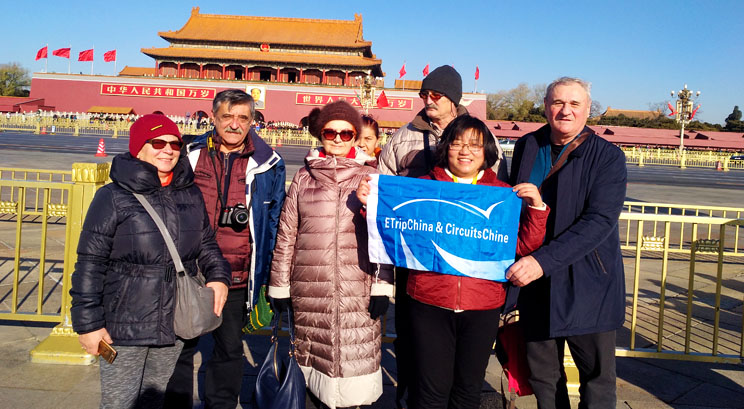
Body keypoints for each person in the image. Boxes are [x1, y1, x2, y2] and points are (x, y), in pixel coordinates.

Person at [357, 115, 548, 409]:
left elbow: (522, 246)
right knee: (430, 390)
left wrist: (536, 208)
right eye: (457, 143)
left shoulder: (501, 194)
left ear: (487, 152)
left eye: (474, 145)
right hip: (430, 302)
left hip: (482, 305)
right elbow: (391, 230)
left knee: (468, 390)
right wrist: (370, 205)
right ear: (445, 148)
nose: (465, 151)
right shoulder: (421, 186)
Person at [70, 114, 231, 408]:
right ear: (138, 148)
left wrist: (218, 276)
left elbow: (206, 242)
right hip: (124, 323)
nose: (168, 149)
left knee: (153, 400)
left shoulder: (189, 192)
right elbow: (90, 264)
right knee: (119, 402)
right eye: (157, 142)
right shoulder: (113, 197)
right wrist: (88, 324)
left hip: (173, 320)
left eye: (174, 143)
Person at [375, 64, 508, 406]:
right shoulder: (403, 136)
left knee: (465, 380)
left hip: (472, 270)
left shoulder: (484, 137)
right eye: (424, 94)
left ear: (453, 99)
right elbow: (384, 193)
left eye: (435, 95)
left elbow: (498, 203)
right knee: (414, 354)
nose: (427, 100)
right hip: (419, 266)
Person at [507, 77, 627, 409]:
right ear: (545, 106)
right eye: (558, 103)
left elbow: (599, 222)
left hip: (587, 282)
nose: (566, 111)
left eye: (575, 104)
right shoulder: (527, 146)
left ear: (589, 110)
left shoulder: (607, 157)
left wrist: (540, 261)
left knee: (596, 379)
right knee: (544, 377)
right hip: (535, 284)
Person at [268, 100, 394, 409]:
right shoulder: (303, 178)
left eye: (346, 133)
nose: (337, 139)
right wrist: (279, 285)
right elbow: (287, 234)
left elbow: (384, 235)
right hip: (311, 289)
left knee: (355, 369)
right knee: (313, 371)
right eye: (330, 131)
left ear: (355, 136)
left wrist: (382, 285)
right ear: (320, 134)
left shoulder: (371, 177)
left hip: (358, 290)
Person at [166, 89, 286, 408]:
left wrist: (270, 275)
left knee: (229, 349)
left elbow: (274, 221)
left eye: (243, 118)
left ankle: (219, 404)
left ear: (252, 121)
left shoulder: (269, 163)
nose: (234, 124)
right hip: (189, 270)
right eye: (227, 117)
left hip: (237, 273)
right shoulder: (187, 153)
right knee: (180, 346)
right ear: (214, 117)